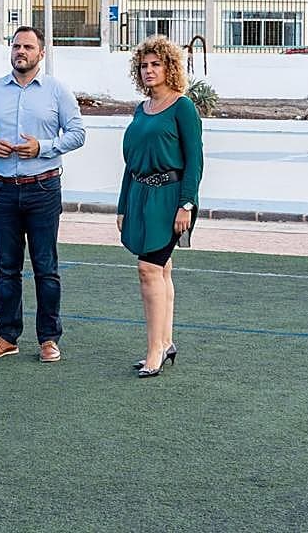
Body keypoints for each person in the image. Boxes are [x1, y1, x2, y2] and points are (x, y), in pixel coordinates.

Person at [0, 26, 86, 363]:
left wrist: (42, 148)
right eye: (17, 46)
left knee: (46, 267)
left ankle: (48, 339)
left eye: (28, 46)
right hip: (3, 189)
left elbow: (77, 133)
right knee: (7, 269)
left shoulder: (57, 91)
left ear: (41, 53)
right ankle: (7, 336)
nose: (21, 51)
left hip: (44, 188)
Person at [116, 34, 203, 378]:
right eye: (144, 65)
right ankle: (166, 342)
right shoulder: (142, 109)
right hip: (139, 196)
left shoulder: (183, 107)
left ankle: (154, 350)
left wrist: (187, 203)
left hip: (170, 198)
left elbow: (194, 160)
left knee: (148, 268)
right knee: (162, 269)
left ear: (170, 67)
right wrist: (122, 205)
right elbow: (130, 161)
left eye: (156, 64)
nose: (149, 70)